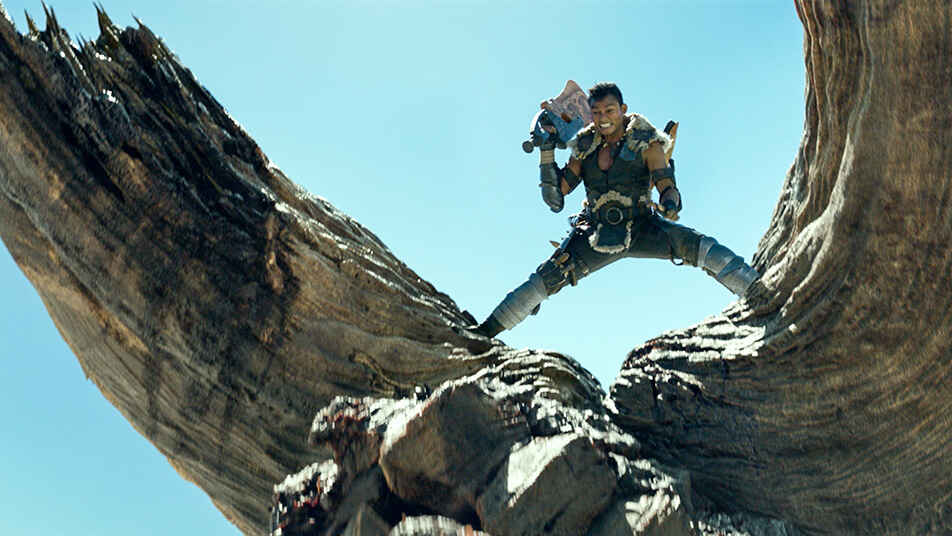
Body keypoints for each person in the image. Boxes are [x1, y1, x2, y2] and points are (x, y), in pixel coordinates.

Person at [472, 82, 759, 339]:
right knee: (546, 278)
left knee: (703, 248)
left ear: (622, 109)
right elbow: (556, 198)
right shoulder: (584, 147)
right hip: (595, 233)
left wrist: (670, 204)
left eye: (609, 110)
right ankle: (484, 334)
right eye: (596, 112)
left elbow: (666, 185)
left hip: (643, 226)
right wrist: (546, 150)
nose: (603, 118)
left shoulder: (647, 143)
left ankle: (760, 294)